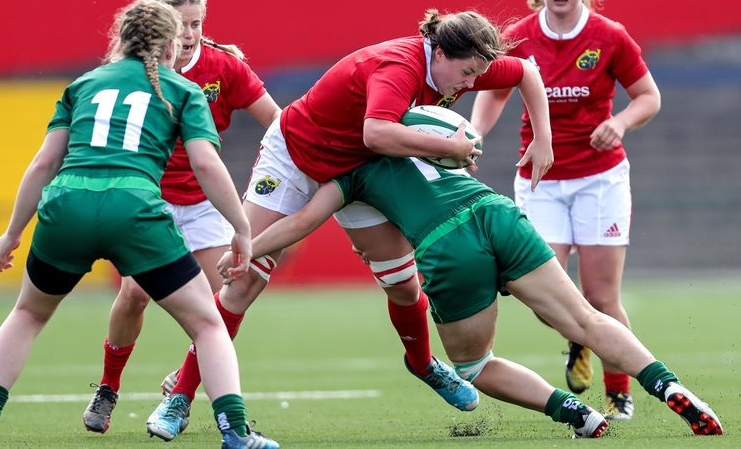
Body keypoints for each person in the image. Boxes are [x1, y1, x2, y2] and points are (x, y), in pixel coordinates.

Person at [136, 8, 557, 438]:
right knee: (244, 281)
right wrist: (446, 145)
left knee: (403, 283)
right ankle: (180, 398)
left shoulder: (461, 62)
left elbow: (525, 71)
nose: (470, 85)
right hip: (295, 156)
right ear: (442, 53)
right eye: (466, 74)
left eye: (476, 76)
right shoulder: (400, 67)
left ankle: (423, 363)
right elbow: (376, 132)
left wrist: (543, 139)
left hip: (362, 167)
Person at [0, 1, 279, 448]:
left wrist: (12, 232)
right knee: (208, 325)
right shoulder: (181, 90)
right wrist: (242, 227)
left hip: (67, 203)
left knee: (27, 313)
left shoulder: (84, 83)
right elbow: (207, 163)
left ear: (120, 40)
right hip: (136, 208)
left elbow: (44, 162)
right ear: (168, 42)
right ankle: (236, 434)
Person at [218, 154, 724, 438]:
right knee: (586, 320)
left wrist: (246, 247)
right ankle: (670, 387)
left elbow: (304, 220)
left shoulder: (347, 167)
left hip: (447, 245)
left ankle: (578, 413)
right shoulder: (411, 119)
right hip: (495, 212)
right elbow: (466, 139)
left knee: (474, 366)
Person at [80, 0, 282, 441]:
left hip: (206, 204)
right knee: (134, 295)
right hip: (151, 200)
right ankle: (109, 388)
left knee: (229, 298)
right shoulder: (134, 69)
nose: (189, 33)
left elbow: (279, 123)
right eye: (181, 24)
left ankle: (190, 385)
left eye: (197, 23)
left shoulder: (225, 67)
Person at [470, 0, 661, 421]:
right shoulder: (517, 36)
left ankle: (617, 394)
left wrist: (621, 122)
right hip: (540, 177)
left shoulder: (610, 36)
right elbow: (495, 92)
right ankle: (581, 336)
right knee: (542, 298)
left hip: (600, 180)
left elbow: (649, 97)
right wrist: (473, 135)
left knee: (600, 297)